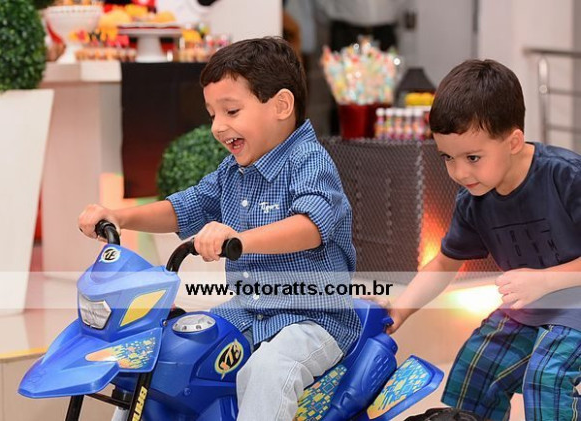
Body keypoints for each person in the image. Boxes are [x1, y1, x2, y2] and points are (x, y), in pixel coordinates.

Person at [78, 36, 361, 421]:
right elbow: (185, 207)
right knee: (170, 352)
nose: (217, 126)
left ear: (281, 105)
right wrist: (121, 217)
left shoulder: (308, 161)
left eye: (231, 111)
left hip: (314, 318)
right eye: (212, 114)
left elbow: (311, 225)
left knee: (268, 370)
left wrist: (239, 239)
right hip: (247, 312)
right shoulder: (233, 171)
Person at [375, 59, 581, 420]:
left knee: (546, 378)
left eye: (472, 157)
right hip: (530, 310)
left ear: (513, 141)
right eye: (448, 158)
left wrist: (546, 281)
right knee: (474, 373)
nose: (459, 172)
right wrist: (400, 311)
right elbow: (444, 262)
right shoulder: (474, 200)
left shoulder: (566, 177)